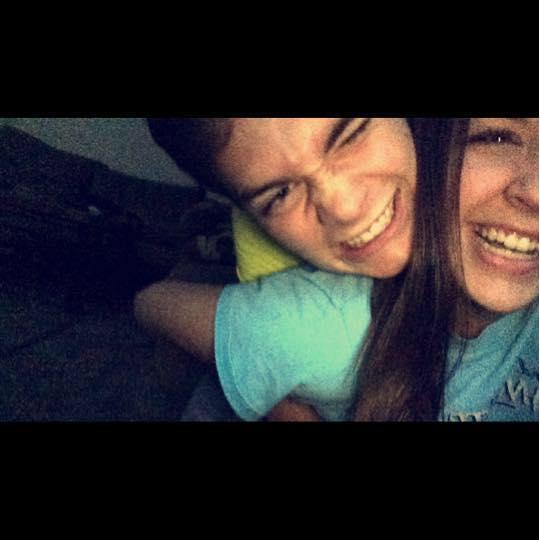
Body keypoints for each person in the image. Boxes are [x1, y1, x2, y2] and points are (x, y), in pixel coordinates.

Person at [138, 117, 538, 421]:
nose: (345, 208)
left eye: (351, 134)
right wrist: (283, 404)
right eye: (280, 194)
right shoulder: (324, 326)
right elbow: (151, 303)